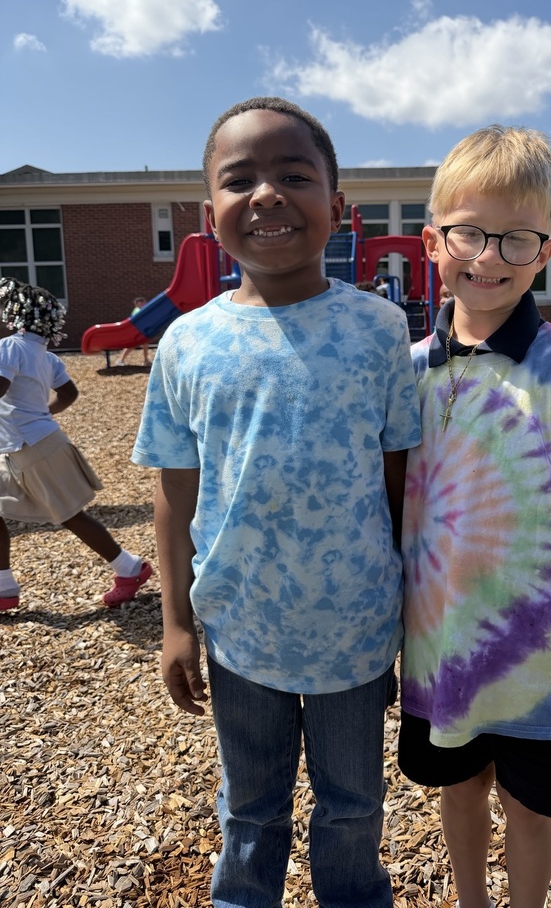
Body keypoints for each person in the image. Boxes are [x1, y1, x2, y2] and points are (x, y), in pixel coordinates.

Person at [131, 97, 421, 908]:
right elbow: (171, 488)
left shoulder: (379, 330)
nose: (266, 194)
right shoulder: (186, 341)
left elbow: (401, 480)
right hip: (240, 630)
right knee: (250, 809)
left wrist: (413, 609)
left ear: (337, 204)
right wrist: (177, 621)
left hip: (357, 630)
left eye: (294, 174)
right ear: (209, 213)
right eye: (240, 179)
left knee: (354, 808)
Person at [397, 125, 551, 908]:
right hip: (441, 649)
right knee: (459, 791)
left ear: (546, 251)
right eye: (469, 232)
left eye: (516, 238)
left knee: (532, 805)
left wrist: (541, 556)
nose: (490, 256)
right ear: (434, 241)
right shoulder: (407, 373)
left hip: (541, 659)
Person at [0, 278, 153, 611]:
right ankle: (4, 588)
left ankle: (130, 569)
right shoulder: (45, 355)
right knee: (64, 515)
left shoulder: (10, 348)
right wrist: (42, 413)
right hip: (29, 445)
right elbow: (69, 393)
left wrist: (35, 418)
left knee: (71, 516)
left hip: (33, 447)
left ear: (16, 316)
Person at [115, 297, 151, 366]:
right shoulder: (137, 311)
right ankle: (120, 360)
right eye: (144, 303)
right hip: (136, 331)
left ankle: (146, 360)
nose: (146, 304)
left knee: (145, 344)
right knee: (132, 345)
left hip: (140, 330)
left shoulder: (139, 310)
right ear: (139, 303)